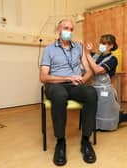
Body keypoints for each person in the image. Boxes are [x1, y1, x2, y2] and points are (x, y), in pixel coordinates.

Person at [40, 19, 98, 166]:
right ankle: (61, 142)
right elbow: (43, 77)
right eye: (66, 28)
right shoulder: (49, 49)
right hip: (56, 84)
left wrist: (81, 80)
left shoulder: (78, 47)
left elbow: (88, 70)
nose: (69, 31)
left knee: (91, 93)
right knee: (60, 96)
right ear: (58, 30)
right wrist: (67, 77)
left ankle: (85, 140)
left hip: (75, 85)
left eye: (71, 29)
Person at [85, 34, 127, 131]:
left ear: (111, 45)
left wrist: (87, 54)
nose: (101, 45)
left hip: (105, 90)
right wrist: (86, 51)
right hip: (94, 88)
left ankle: (121, 118)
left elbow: (98, 70)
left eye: (104, 43)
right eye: (100, 43)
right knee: (97, 111)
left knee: (110, 114)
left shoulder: (113, 59)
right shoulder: (95, 55)